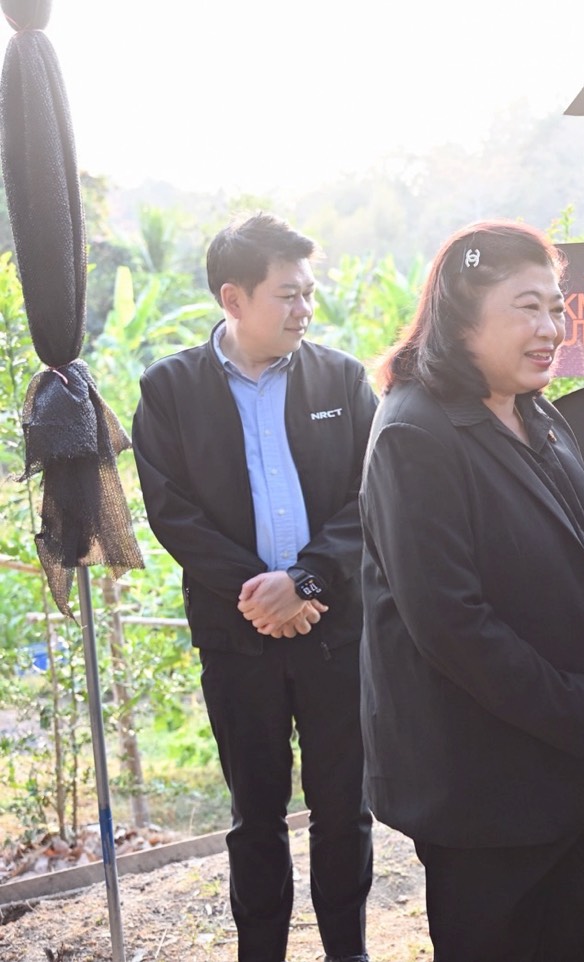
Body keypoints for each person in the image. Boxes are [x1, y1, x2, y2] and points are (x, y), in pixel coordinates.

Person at [359, 220, 584, 961]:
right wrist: (581, 710)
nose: (551, 328)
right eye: (528, 308)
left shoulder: (536, 412)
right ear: (462, 317)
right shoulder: (415, 434)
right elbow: (450, 624)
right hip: (484, 786)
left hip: (572, 761)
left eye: (557, 308)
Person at [132, 213, 377, 962]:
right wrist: (261, 594)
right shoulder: (170, 389)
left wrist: (306, 580)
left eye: (309, 293)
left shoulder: (342, 379)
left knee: (344, 809)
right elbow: (172, 512)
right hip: (236, 639)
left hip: (334, 630)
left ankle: (347, 951)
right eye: (288, 294)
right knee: (255, 816)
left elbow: (371, 496)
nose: (305, 309)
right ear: (233, 299)